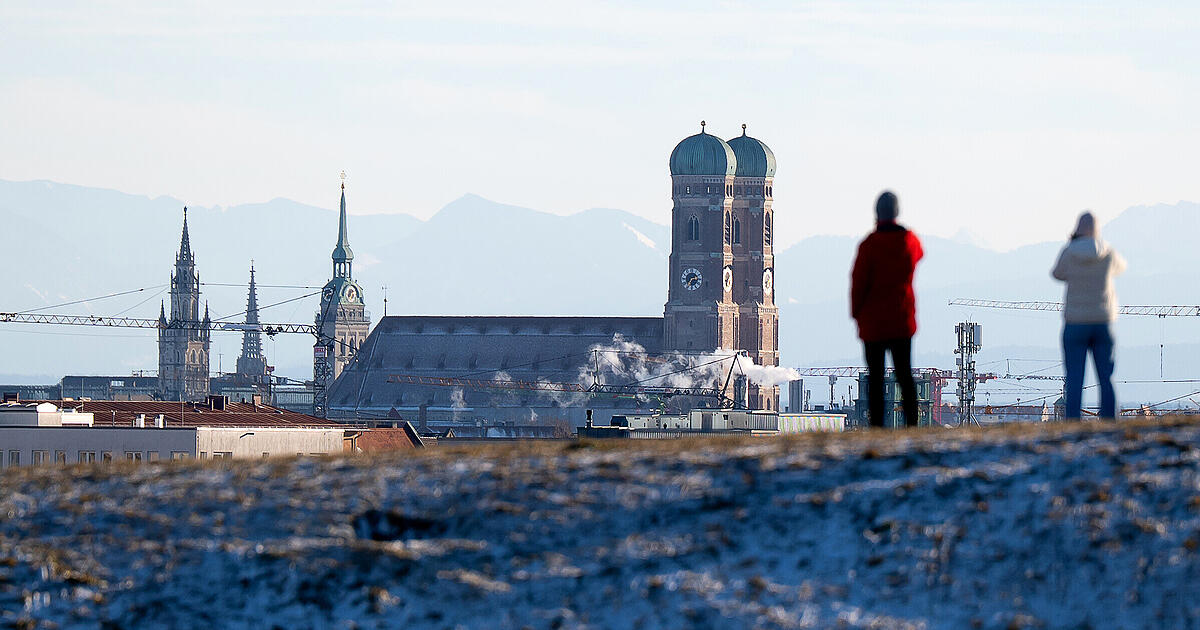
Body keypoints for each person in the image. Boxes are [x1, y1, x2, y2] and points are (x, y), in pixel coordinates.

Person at [851, 191, 924, 428]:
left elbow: (858, 283)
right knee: (905, 374)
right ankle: (912, 424)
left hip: (873, 323)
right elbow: (919, 253)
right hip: (901, 319)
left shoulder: (869, 245)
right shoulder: (908, 241)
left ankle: (877, 428)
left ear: (876, 213)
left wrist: (856, 313)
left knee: (876, 378)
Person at [1052, 211, 1126, 420]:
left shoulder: (1069, 252)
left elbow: (1057, 273)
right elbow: (1121, 268)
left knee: (1075, 376)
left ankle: (1073, 420)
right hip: (1103, 320)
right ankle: (1109, 419)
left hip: (1075, 321)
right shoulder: (1107, 252)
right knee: (1106, 376)